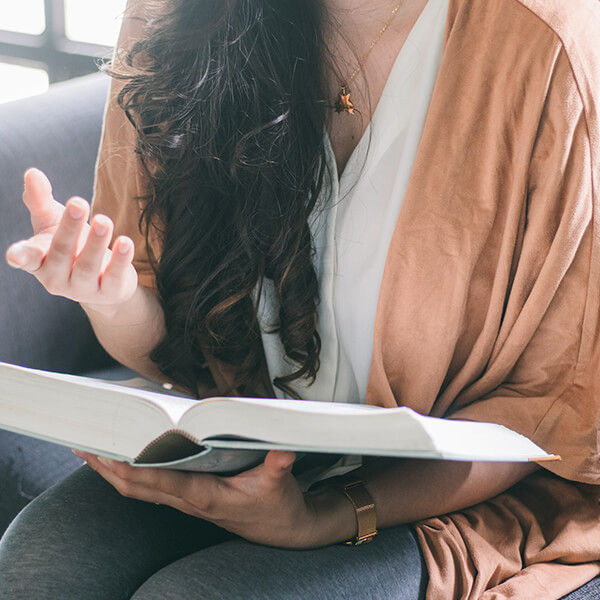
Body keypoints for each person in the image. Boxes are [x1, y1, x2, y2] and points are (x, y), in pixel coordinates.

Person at [2, 0, 600, 597]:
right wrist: (110, 298)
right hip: (243, 449)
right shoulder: (172, 14)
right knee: (39, 566)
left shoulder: (549, 43)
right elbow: (174, 345)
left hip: (451, 490)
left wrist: (326, 518)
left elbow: (547, 410)